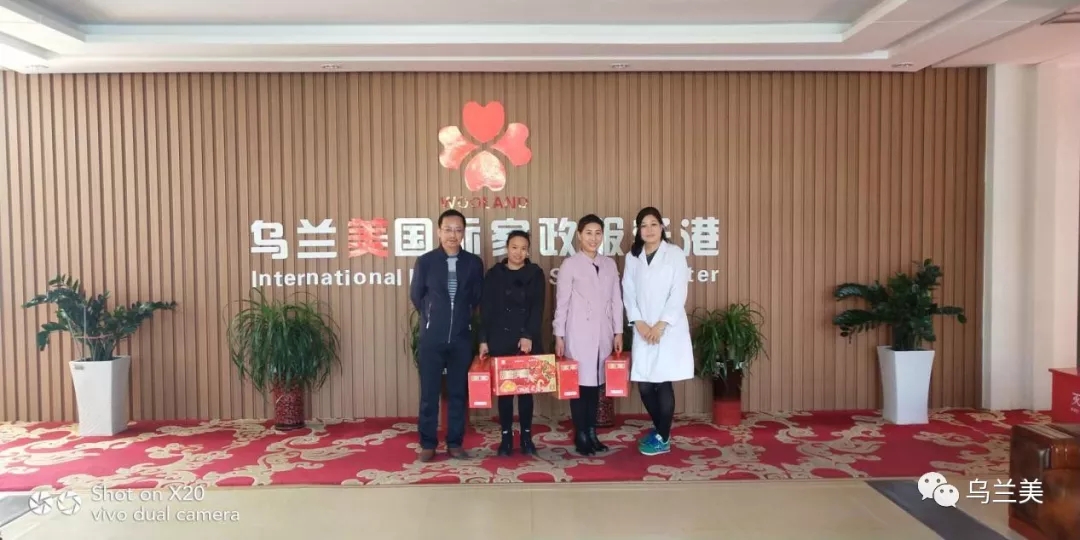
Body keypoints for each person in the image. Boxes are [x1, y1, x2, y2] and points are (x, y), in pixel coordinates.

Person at [409, 209, 485, 462]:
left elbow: (476, 297)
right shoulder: (426, 262)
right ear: (439, 231)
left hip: (461, 337)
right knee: (429, 393)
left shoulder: (473, 263)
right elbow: (417, 296)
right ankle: (428, 443)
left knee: (457, 393)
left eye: (458, 230)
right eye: (448, 229)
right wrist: (434, 317)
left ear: (464, 233)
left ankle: (454, 443)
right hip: (432, 338)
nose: (453, 235)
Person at [622, 206, 694, 456]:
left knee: (663, 382)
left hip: (667, 330)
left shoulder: (674, 254)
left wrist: (661, 324)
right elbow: (628, 291)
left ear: (662, 227)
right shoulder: (633, 256)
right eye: (643, 225)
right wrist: (639, 323)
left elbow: (679, 292)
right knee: (644, 384)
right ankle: (662, 430)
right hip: (643, 329)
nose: (649, 229)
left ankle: (662, 437)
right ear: (638, 230)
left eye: (653, 224)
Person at [553, 214, 624, 456]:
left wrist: (618, 331)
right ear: (579, 236)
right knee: (579, 384)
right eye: (588, 233)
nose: (593, 238)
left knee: (596, 385)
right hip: (578, 332)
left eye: (598, 233)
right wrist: (559, 335)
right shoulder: (570, 264)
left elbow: (616, 300)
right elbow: (562, 303)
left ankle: (592, 432)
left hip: (603, 332)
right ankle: (581, 433)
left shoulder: (609, 264)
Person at [478, 230, 546, 456]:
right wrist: (483, 339)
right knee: (505, 392)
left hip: (526, 340)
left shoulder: (535, 273)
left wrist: (528, 335)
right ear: (507, 248)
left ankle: (526, 437)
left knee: (526, 392)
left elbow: (537, 308)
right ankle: (505, 438)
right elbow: (486, 309)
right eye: (514, 247)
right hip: (500, 338)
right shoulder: (494, 274)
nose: (518, 252)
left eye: (523, 248)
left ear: (528, 251)